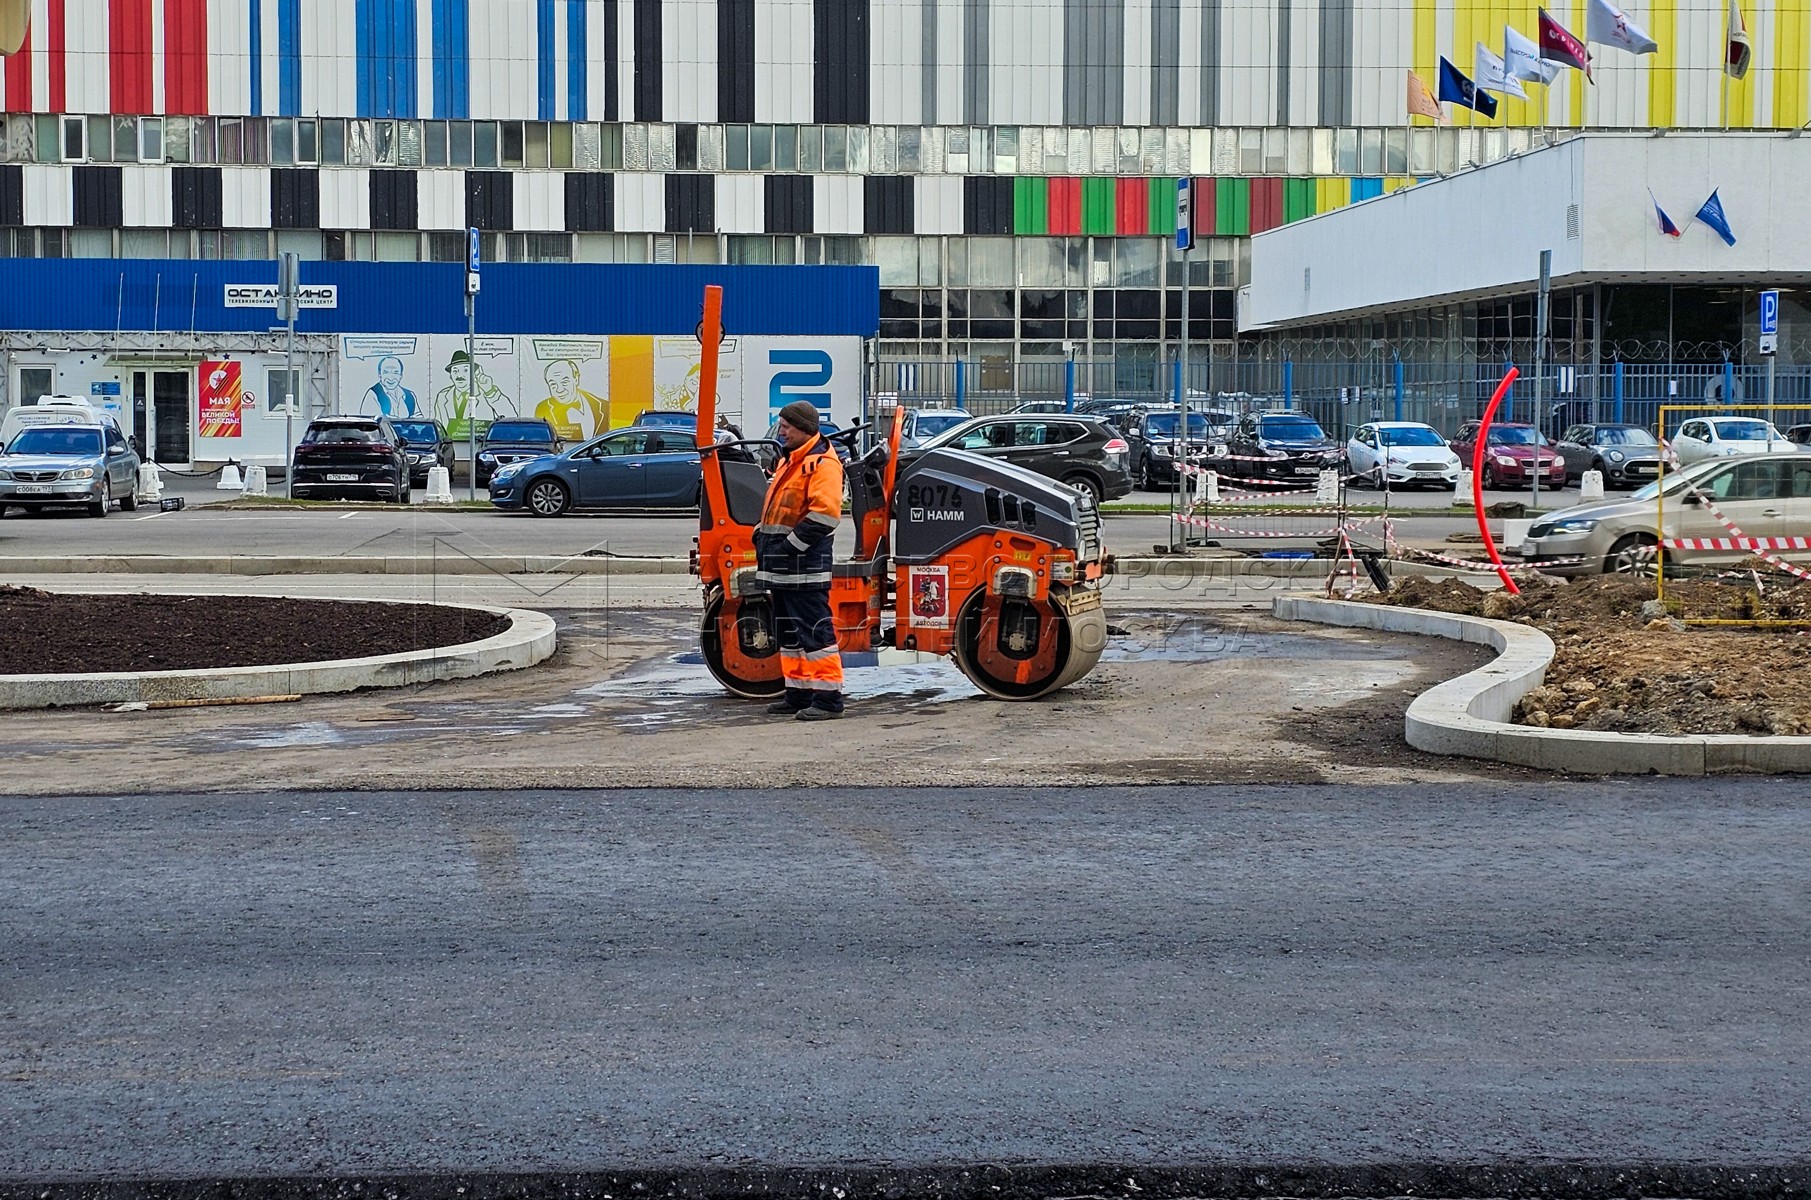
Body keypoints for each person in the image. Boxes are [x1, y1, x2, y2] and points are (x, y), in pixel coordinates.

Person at [754, 401, 845, 720]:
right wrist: (760, 534)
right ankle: (798, 693)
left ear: (804, 428)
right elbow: (780, 509)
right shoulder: (792, 459)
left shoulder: (822, 464)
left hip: (803, 568)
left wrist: (786, 549)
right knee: (790, 635)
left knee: (815, 635)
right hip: (784, 568)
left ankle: (829, 700)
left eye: (786, 426)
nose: (781, 431)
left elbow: (824, 517)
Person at [432, 350, 514, 436]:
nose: (460, 376)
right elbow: (438, 427)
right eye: (455, 371)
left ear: (473, 373)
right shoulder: (442, 397)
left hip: (479, 445)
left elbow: (511, 416)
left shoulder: (485, 393)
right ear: (450, 375)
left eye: (465, 370)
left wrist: (490, 391)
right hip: (450, 446)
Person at [533, 358, 608, 441]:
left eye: (564, 382)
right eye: (553, 384)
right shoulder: (543, 408)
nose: (559, 390)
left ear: (576, 379)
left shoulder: (602, 405)